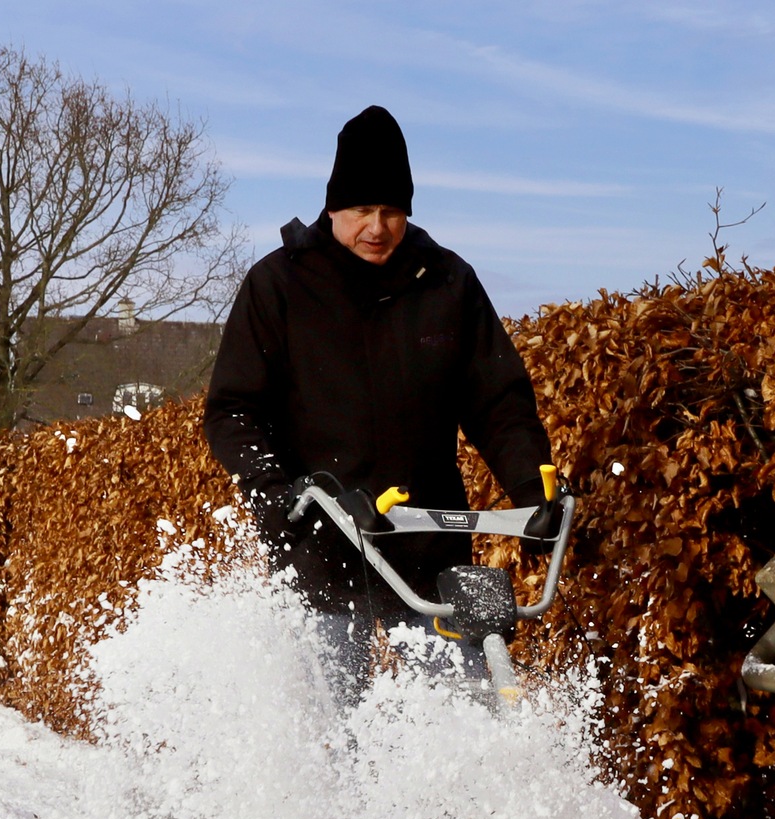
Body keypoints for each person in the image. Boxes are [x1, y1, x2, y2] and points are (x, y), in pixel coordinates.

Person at [204, 105, 553, 695]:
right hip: (319, 542)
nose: (377, 226)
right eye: (362, 210)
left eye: (391, 211)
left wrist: (532, 491)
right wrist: (282, 489)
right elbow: (232, 412)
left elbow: (498, 400)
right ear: (333, 207)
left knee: (455, 717)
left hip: (430, 549)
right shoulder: (281, 285)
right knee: (334, 725)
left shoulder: (446, 282)